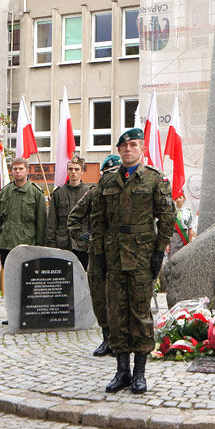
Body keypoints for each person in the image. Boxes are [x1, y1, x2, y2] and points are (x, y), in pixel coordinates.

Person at [91, 129, 175, 395]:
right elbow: (98, 220)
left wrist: (159, 252)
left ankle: (139, 372)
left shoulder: (153, 179)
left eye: (133, 145)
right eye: (124, 145)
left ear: (142, 149)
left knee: (139, 314)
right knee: (116, 315)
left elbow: (167, 217)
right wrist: (99, 254)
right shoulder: (107, 181)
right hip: (113, 255)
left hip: (140, 256)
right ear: (119, 150)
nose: (128, 149)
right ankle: (122, 371)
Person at [67, 153, 122, 357]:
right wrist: (82, 236)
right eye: (109, 173)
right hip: (98, 254)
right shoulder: (94, 193)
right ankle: (107, 338)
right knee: (99, 297)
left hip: (121, 254)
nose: (113, 177)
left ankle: (119, 341)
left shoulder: (128, 194)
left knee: (119, 298)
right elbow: (73, 217)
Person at [0, 157, 46, 266]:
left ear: (27, 171)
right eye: (15, 169)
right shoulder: (4, 192)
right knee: (9, 279)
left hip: (27, 245)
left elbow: (41, 223)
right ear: (11, 171)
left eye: (21, 168)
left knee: (26, 279)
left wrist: (40, 247)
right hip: (6, 244)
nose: (17, 171)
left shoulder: (36, 193)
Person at [46, 155, 91, 269]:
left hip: (82, 245)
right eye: (70, 169)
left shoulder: (89, 193)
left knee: (80, 279)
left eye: (77, 169)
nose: (73, 172)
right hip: (62, 244)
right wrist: (52, 245)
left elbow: (92, 220)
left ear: (82, 171)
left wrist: (90, 242)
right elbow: (52, 222)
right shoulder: (58, 193)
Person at [167, 193, 196, 258]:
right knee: (172, 258)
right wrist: (167, 244)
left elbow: (190, 228)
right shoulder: (171, 212)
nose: (178, 200)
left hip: (184, 238)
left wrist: (190, 243)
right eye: (176, 198)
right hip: (174, 237)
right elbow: (168, 228)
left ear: (184, 198)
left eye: (180, 197)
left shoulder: (188, 211)